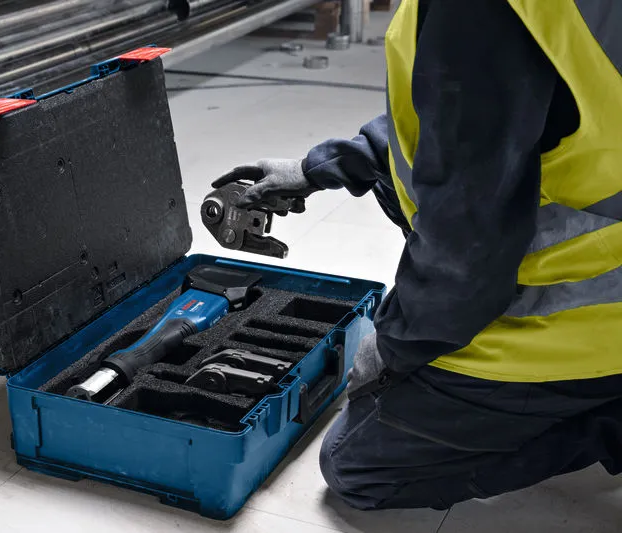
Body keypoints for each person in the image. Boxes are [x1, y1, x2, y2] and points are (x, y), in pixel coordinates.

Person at [210, 0, 622, 510]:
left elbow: (466, 257)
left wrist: (393, 347)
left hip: (586, 327)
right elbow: (478, 101)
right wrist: (323, 166)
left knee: (355, 465)